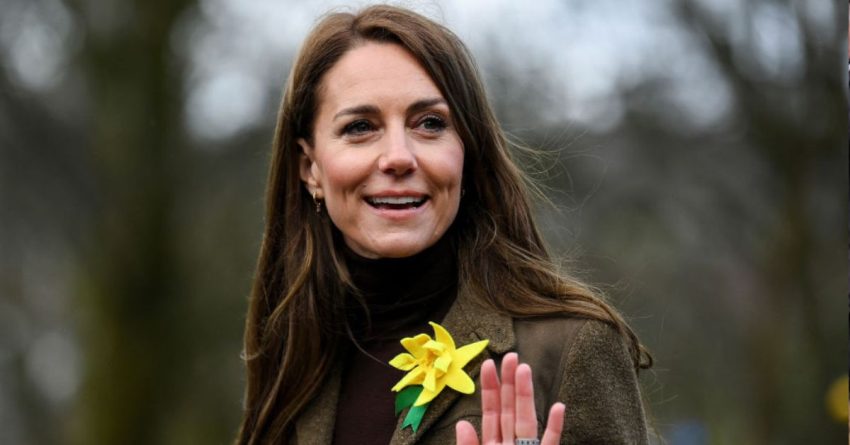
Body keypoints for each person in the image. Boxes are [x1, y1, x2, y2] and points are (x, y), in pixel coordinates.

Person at [236, 5, 652, 445]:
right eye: (360, 127)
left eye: (430, 124)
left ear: (468, 151)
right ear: (310, 168)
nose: (399, 157)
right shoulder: (291, 360)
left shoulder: (570, 347)